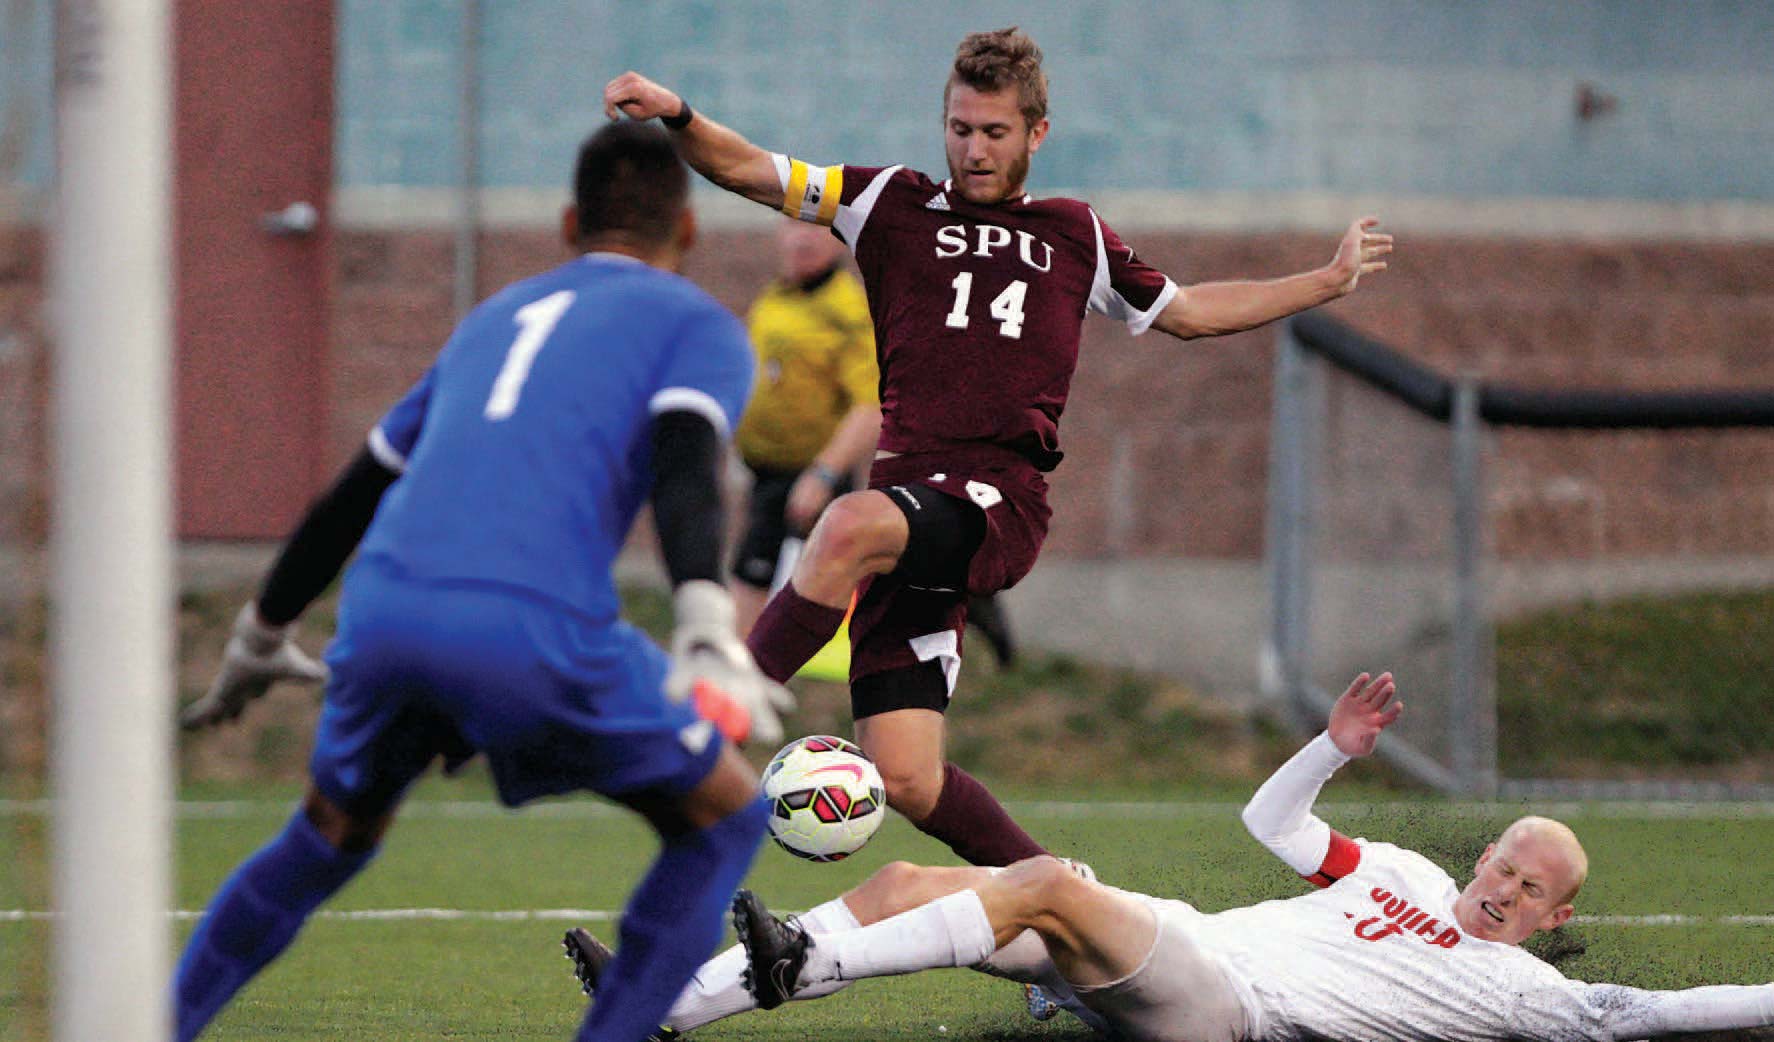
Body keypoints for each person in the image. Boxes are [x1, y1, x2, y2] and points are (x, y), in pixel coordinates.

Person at [602, 26, 1394, 868]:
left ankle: (706, 722)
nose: (973, 150)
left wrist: (1326, 279)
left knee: (842, 528)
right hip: (906, 514)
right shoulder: (887, 203)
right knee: (906, 777)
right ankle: (1062, 896)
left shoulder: (1074, 234)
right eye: (959, 128)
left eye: (994, 133)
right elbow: (748, 168)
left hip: (993, 503)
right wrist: (679, 114)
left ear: (1036, 133)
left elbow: (1191, 312)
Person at [171, 120, 793, 1042]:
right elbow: (684, 457)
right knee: (725, 821)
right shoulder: (694, 324)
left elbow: (357, 489)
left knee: (325, 840)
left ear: (568, 221)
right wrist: (704, 612)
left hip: (382, 618)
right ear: (690, 232)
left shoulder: (491, 321)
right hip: (529, 630)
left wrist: (259, 634)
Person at [565, 672, 1774, 1042]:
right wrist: (1331, 745)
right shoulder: (1400, 871)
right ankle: (665, 1008)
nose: (1506, 886)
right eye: (1506, 863)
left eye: (1531, 889)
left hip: (1229, 1011)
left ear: (1553, 919)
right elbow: (1276, 830)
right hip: (1195, 941)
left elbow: (1648, 1015)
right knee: (910, 883)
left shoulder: (1530, 988)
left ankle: (782, 971)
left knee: (1043, 882)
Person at [732, 218, 1018, 667]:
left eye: (817, 229)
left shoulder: (847, 309)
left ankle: (961, 587)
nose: (802, 238)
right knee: (820, 585)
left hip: (807, 477)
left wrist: (822, 472)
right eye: (792, 226)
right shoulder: (778, 296)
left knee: (781, 599)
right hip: (767, 471)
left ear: (840, 240)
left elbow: (870, 404)